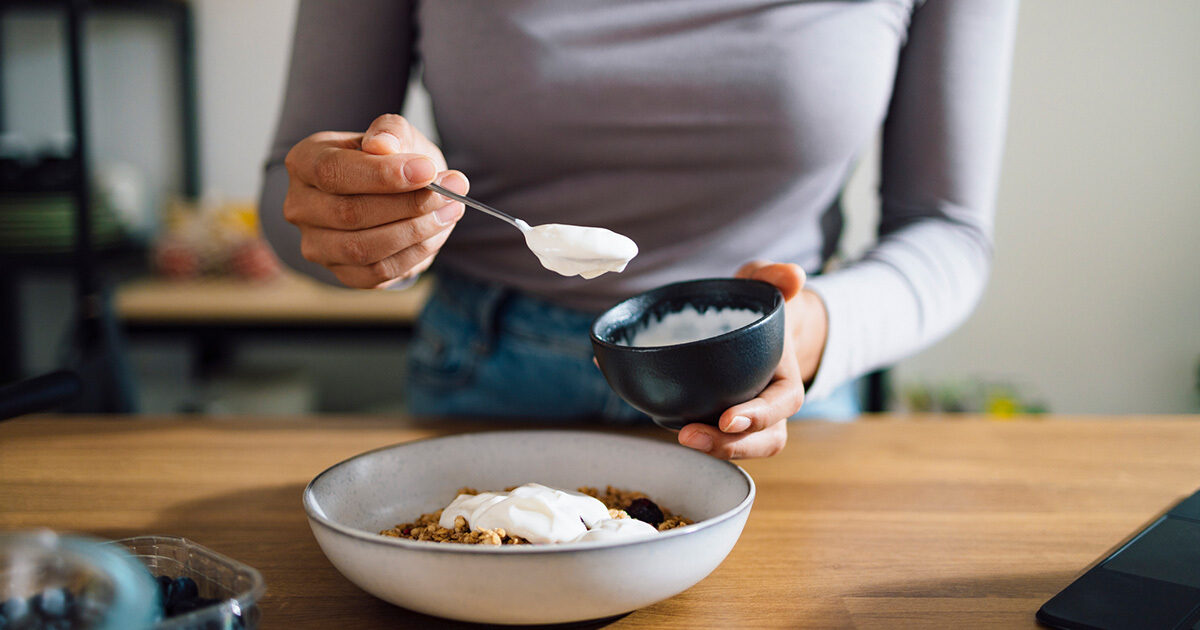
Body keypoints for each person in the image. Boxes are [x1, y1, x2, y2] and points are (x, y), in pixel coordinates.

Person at [259, 0, 1018, 460]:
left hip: (768, 395)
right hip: (488, 373)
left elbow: (946, 233)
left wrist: (813, 333)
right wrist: (360, 214)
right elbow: (284, 198)